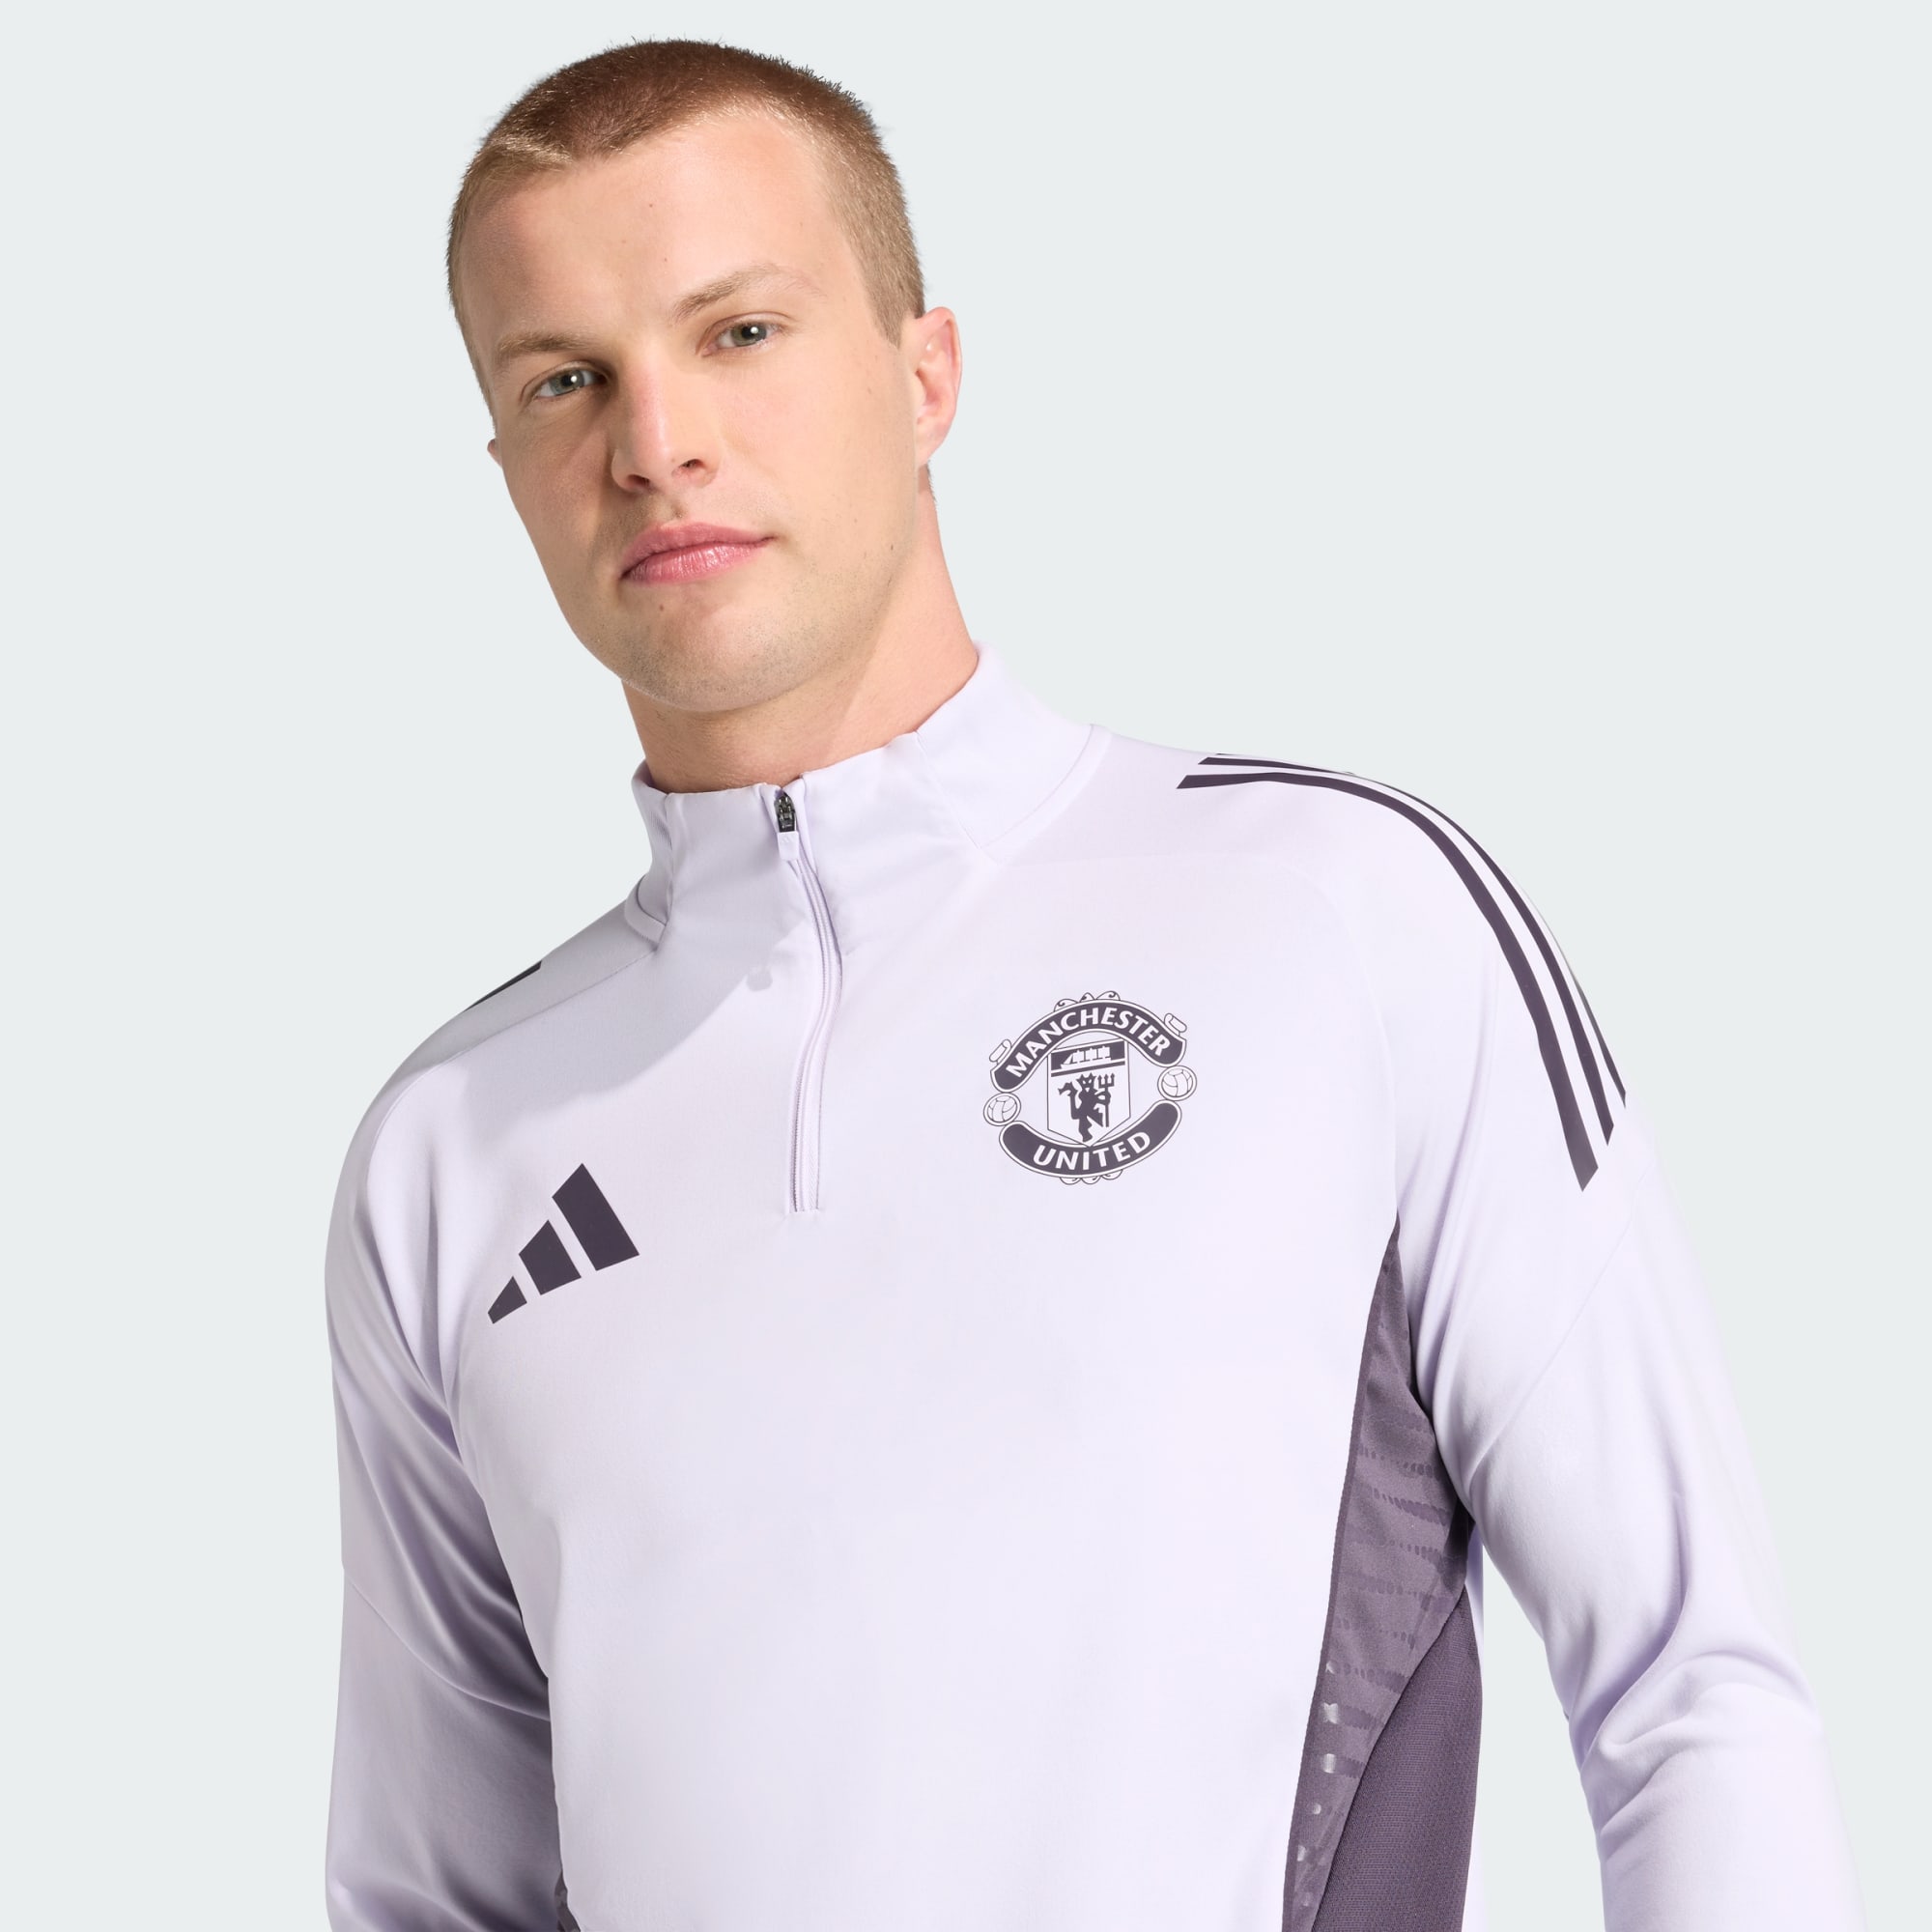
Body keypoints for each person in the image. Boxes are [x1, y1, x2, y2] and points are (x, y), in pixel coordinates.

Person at [321, 38, 1862, 1932]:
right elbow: (436, 1898)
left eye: (740, 332)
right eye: (565, 378)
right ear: (505, 466)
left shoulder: (1337, 919)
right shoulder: (455, 1148)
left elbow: (1693, 1695)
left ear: (926, 374)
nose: (656, 442)